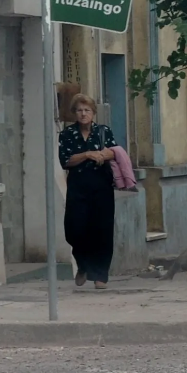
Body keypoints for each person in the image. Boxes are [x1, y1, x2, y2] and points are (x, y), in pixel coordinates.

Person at [58, 92, 119, 289]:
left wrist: (102, 154)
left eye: (87, 110)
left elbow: (115, 152)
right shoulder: (67, 134)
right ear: (74, 113)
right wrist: (86, 154)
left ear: (93, 113)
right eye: (79, 110)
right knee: (75, 229)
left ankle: (100, 274)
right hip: (78, 187)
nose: (83, 114)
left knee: (102, 230)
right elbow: (66, 161)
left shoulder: (103, 131)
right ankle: (83, 265)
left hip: (101, 187)